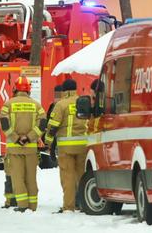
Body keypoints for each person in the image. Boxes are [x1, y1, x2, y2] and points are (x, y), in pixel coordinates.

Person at [0, 76, 47, 212]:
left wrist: (16, 138)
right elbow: (42, 125)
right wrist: (29, 137)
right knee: (31, 177)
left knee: (17, 177)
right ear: (29, 90)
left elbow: (4, 124)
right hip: (31, 148)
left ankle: (22, 205)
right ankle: (33, 206)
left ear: (15, 88)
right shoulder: (37, 105)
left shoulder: (8, 104)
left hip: (15, 149)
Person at [45, 78, 89, 213]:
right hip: (83, 145)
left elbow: (52, 126)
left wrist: (48, 141)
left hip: (66, 147)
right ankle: (83, 204)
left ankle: (69, 206)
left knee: (67, 177)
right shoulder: (84, 102)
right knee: (82, 176)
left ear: (64, 91)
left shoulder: (61, 105)